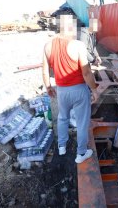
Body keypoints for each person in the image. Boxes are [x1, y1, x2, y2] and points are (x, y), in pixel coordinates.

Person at [42, 14, 98, 164]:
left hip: (61, 90)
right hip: (79, 90)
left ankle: (62, 146)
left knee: (62, 117)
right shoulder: (78, 45)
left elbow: (44, 70)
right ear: (69, 27)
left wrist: (48, 86)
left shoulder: (48, 46)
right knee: (82, 122)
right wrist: (94, 89)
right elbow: (86, 72)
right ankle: (81, 153)